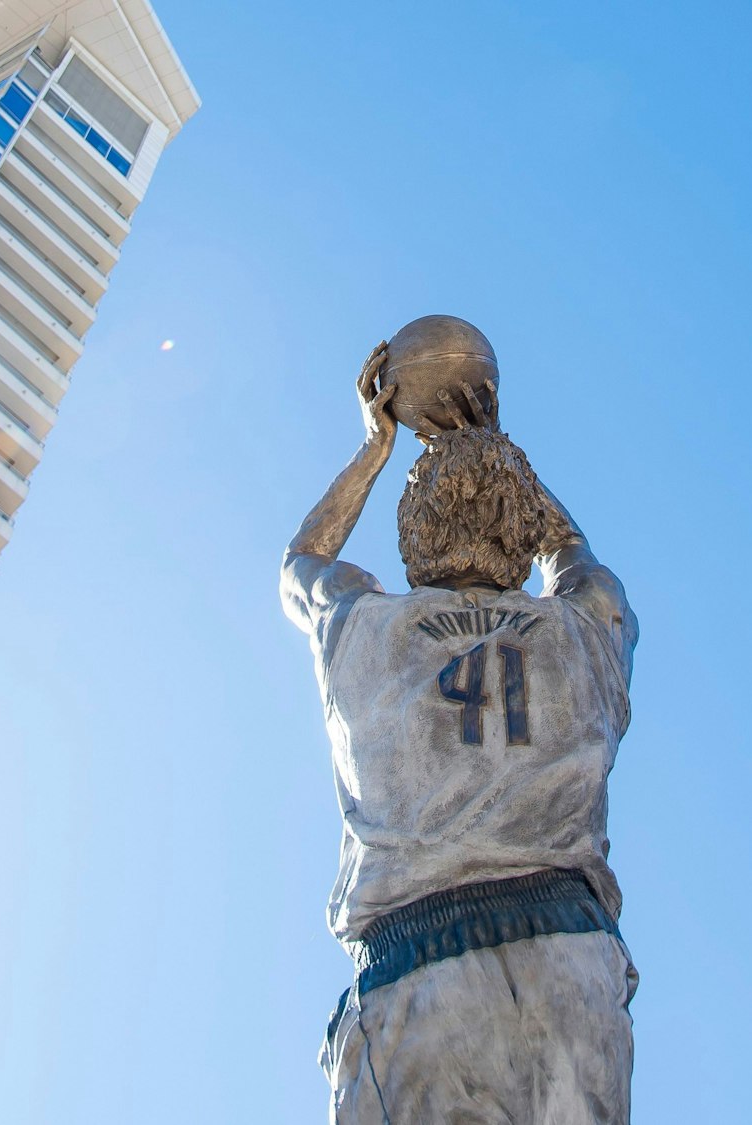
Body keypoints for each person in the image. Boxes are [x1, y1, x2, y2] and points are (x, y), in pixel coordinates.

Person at [281, 338, 639, 1123]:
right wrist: (499, 456)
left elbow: (301, 562)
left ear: (413, 532)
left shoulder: (364, 630)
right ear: (523, 532)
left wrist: (376, 451)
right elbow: (581, 563)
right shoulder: (584, 634)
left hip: (417, 968)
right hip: (570, 960)